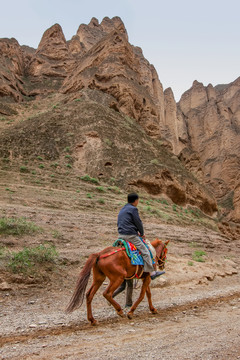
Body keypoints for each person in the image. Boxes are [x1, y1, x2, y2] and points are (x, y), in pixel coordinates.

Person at [117, 192, 163, 280]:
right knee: (145, 251)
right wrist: (141, 233)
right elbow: (138, 222)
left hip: (121, 235)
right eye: (138, 200)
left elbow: (124, 222)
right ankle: (152, 272)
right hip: (130, 235)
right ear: (135, 201)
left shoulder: (123, 209)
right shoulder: (133, 209)